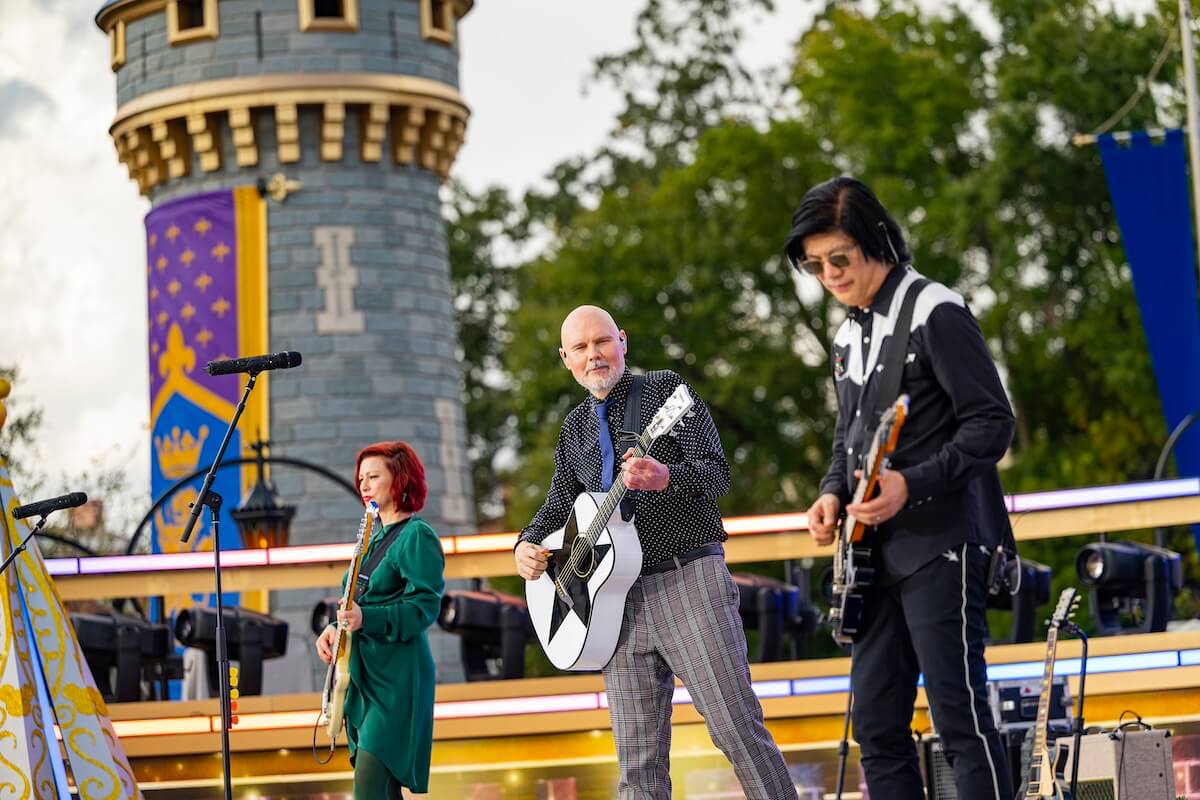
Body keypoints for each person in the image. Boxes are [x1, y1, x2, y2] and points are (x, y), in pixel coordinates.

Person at [784, 176, 1016, 799]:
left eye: (840, 258)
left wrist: (910, 485)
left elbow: (993, 422)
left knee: (958, 717)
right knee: (877, 727)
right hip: (868, 557)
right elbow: (848, 439)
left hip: (941, 541)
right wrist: (832, 492)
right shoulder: (844, 336)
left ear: (878, 243)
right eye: (815, 265)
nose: (829, 275)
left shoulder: (935, 309)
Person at [515, 305, 797, 800]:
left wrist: (664, 478)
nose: (593, 355)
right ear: (566, 359)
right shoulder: (574, 427)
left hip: (688, 579)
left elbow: (716, 474)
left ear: (622, 341)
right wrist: (524, 545)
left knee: (736, 730)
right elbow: (557, 504)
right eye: (580, 348)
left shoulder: (665, 391)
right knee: (637, 770)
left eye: (601, 342)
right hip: (612, 604)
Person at [316, 441, 445, 799]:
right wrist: (333, 628)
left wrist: (364, 619)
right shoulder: (372, 539)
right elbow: (357, 603)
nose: (364, 484)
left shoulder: (417, 535)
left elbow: (423, 608)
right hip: (365, 674)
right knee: (381, 791)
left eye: (374, 476)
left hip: (398, 677)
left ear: (399, 480)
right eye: (361, 478)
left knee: (370, 787)